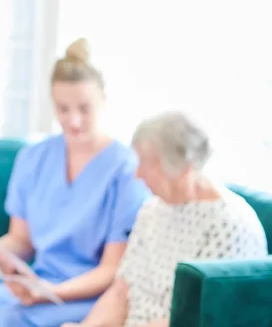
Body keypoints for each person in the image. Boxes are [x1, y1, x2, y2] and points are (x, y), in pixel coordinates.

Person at [0, 38, 152, 327]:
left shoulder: (126, 170)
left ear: (104, 99)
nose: (73, 120)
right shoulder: (34, 157)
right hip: (39, 282)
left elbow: (113, 269)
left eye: (84, 108)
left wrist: (51, 292)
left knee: (9, 321)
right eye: (63, 109)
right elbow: (22, 243)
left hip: (88, 294)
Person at [61, 111, 267, 327]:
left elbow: (186, 320)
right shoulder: (152, 210)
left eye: (147, 163)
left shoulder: (228, 226)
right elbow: (121, 291)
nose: (137, 174)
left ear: (182, 166)